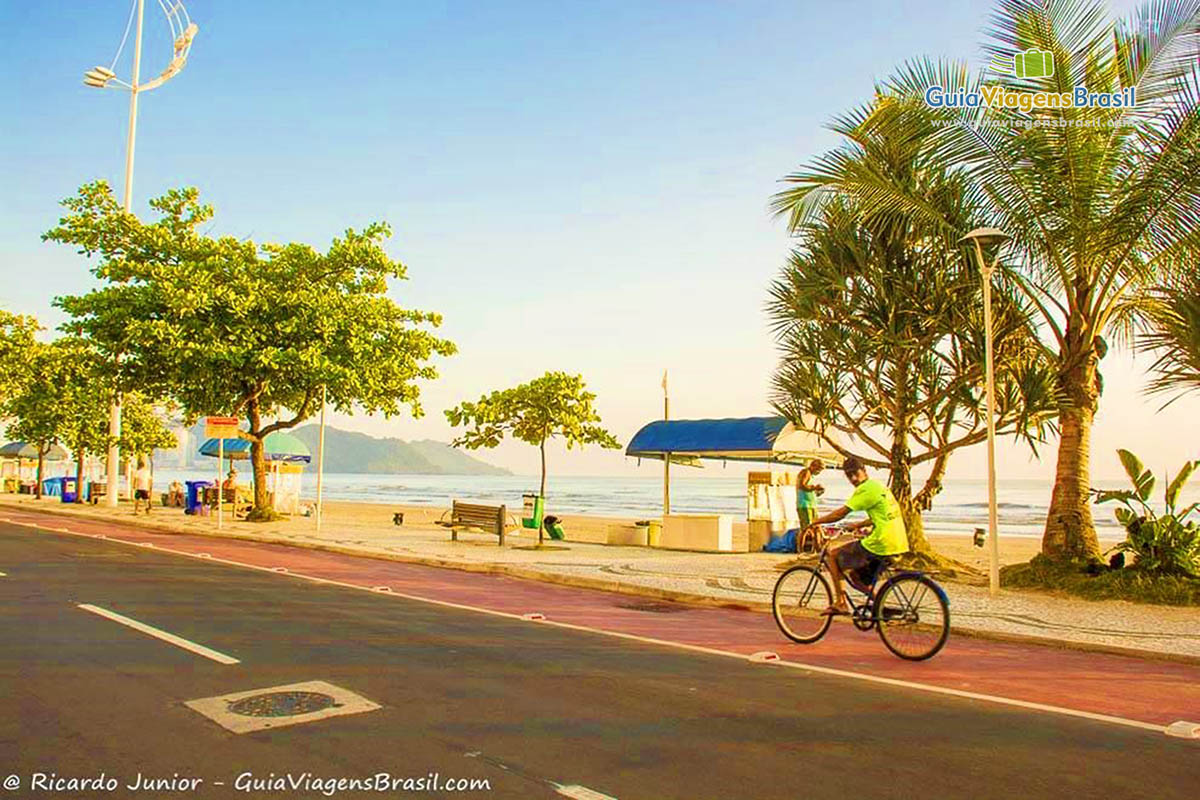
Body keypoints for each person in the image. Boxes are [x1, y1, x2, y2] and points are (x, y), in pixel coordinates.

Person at [803, 457, 908, 616]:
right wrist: (857, 526)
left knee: (833, 554)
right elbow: (880, 516)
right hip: (898, 540)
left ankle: (841, 603)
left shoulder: (864, 490)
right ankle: (880, 606)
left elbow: (841, 513)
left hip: (881, 541)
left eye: (855, 473)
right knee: (855, 576)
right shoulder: (879, 486)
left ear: (864, 471)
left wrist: (816, 522)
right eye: (849, 475)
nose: (852, 478)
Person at [796, 458, 825, 531]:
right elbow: (801, 485)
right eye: (818, 469)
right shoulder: (806, 472)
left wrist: (818, 491)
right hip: (805, 504)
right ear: (813, 466)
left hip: (811, 504)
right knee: (807, 526)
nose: (818, 472)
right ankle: (804, 541)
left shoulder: (810, 475)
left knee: (815, 525)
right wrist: (815, 487)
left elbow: (809, 490)